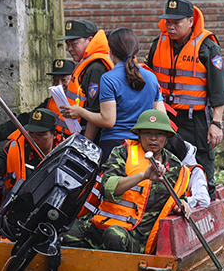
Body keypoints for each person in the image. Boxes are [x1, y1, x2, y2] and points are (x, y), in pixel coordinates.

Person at [62, 109, 191, 254]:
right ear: (139, 135)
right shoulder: (122, 153)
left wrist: (183, 205)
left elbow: (178, 197)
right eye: (147, 133)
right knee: (62, 233)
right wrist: (143, 175)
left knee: (114, 236)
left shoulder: (175, 167)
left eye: (159, 134)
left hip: (135, 235)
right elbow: (108, 188)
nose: (153, 138)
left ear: (167, 137)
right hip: (102, 223)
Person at [146, 0, 224, 200]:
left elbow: (218, 90)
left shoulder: (207, 47)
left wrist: (217, 123)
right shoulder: (158, 44)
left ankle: (205, 202)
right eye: (168, 22)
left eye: (177, 22)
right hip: (165, 116)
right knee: (165, 160)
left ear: (190, 22)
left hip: (196, 119)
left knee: (201, 160)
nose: (171, 27)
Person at [61, 27, 164, 161]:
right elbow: (161, 115)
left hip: (114, 147)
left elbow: (108, 121)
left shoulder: (108, 78)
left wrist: (81, 112)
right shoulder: (151, 77)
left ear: (111, 51)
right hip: (143, 146)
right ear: (136, 50)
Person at [0, 59, 76, 142]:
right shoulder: (48, 105)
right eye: (56, 81)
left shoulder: (83, 103)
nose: (59, 85)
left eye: (64, 80)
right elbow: (23, 121)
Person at [56, 19, 114, 142]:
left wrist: (85, 146)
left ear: (90, 40)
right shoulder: (88, 63)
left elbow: (95, 110)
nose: (69, 49)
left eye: (74, 44)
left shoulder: (96, 68)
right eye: (67, 44)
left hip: (96, 139)